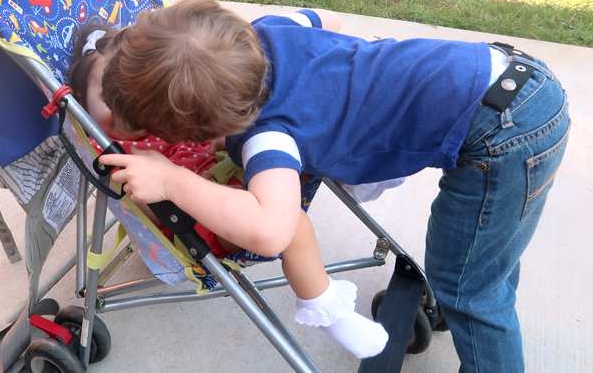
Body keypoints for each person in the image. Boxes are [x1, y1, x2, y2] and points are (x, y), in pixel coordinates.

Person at [97, 0, 571, 373]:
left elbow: (271, 231)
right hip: (511, 78)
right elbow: (327, 20)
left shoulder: (270, 137)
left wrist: (173, 177)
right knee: (483, 259)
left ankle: (473, 315)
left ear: (202, 129)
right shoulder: (268, 34)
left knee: (470, 286)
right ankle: (469, 297)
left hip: (504, 134)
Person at [68, 22, 389, 359]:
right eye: (107, 96)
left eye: (130, 93)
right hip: (196, 219)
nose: (123, 107)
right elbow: (147, 204)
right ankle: (327, 310)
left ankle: (365, 166)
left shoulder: (152, 109)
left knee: (297, 137)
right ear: (79, 103)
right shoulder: (110, 150)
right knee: (292, 224)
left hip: (220, 173)